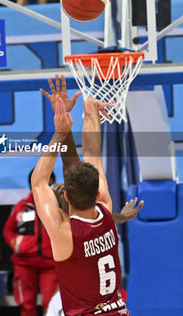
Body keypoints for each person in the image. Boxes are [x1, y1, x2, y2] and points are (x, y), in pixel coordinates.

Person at [31, 81, 144, 315]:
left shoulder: (64, 231)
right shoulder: (105, 208)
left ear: (68, 198)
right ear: (98, 193)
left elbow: (39, 181)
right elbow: (91, 153)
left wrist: (62, 130)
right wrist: (90, 110)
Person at [3, 171, 58, 315]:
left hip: (51, 265)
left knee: (51, 304)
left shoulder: (60, 207)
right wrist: (16, 244)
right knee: (27, 306)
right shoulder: (21, 206)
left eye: (49, 183)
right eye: (40, 183)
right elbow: (8, 231)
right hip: (24, 264)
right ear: (32, 185)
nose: (45, 187)